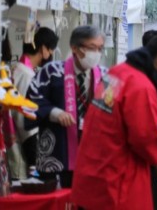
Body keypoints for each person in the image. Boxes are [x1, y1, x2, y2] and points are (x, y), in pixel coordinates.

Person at [71, 33, 157, 209]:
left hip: (92, 172)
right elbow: (145, 140)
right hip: (118, 179)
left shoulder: (117, 73)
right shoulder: (141, 86)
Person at [26, 25, 107, 187]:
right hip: (57, 154)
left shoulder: (106, 76)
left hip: (94, 157)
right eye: (92, 48)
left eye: (100, 48)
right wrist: (54, 113)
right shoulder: (51, 72)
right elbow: (30, 101)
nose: (96, 54)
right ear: (74, 48)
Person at [10, 27, 59, 178]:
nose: (51, 54)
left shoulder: (18, 69)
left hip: (16, 147)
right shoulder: (27, 76)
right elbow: (25, 120)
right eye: (51, 50)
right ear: (43, 49)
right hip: (23, 152)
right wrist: (34, 162)